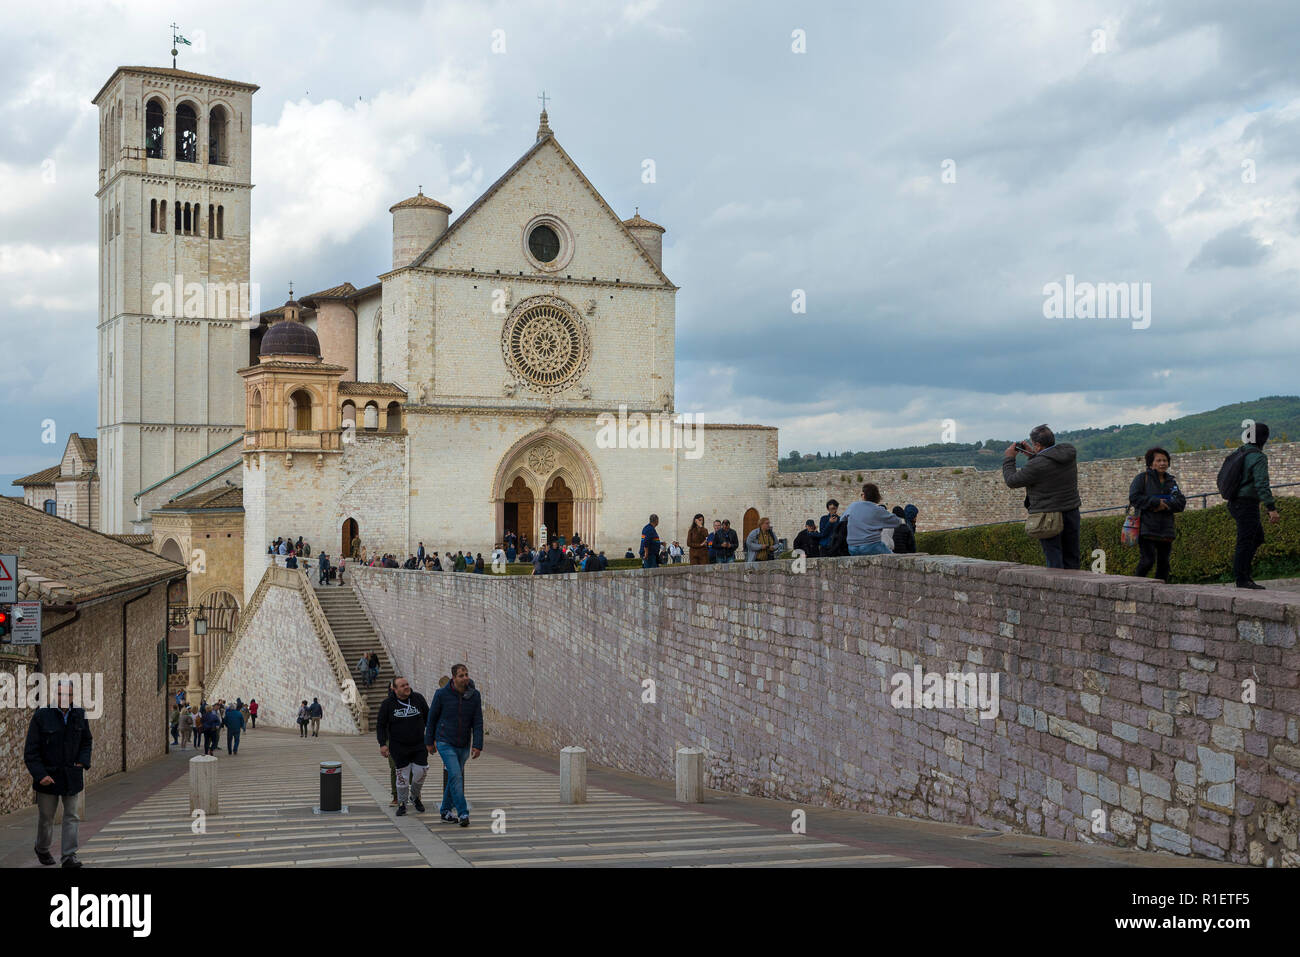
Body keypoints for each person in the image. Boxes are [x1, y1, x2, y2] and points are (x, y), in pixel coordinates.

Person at [24, 679, 92, 867]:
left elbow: (87, 742)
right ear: (55, 695)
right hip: (48, 777)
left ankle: (69, 856)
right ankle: (42, 848)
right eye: (60, 694)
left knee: (72, 816)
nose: (64, 698)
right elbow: (31, 751)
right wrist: (40, 775)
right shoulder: (41, 716)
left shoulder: (80, 714)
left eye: (68, 695)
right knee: (46, 818)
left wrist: (82, 762)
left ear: (72, 696)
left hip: (72, 775)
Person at [1002, 424, 1082, 570]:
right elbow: (1048, 464)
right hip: (1071, 511)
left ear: (1037, 445)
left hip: (1048, 516)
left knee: (1054, 558)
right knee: (1072, 556)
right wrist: (1034, 454)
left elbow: (1012, 481)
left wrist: (1009, 459)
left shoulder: (1037, 464)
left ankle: (1058, 590)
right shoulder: (1069, 452)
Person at [425, 663, 483, 828]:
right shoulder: (442, 694)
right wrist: (429, 742)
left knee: (454, 777)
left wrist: (477, 744)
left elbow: (477, 721)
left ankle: (445, 811)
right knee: (457, 776)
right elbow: (432, 719)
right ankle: (463, 812)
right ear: (453, 678)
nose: (465, 678)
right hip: (444, 741)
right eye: (461, 675)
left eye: (466, 674)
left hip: (464, 743)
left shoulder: (474, 695)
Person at [1227, 422, 1282, 589]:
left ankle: (1244, 575)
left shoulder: (1241, 452)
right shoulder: (1258, 456)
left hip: (1236, 502)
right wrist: (1271, 508)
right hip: (1245, 503)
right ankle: (1242, 579)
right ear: (1264, 438)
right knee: (1245, 540)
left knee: (1256, 537)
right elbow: (1261, 484)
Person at [1127, 446, 1186, 583]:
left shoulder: (1171, 482)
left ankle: (1161, 592)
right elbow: (1134, 498)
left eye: (1165, 460)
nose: (1162, 463)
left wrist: (1165, 505)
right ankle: (1136, 585)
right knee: (1147, 561)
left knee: (1164, 564)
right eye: (1158, 460)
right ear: (1151, 463)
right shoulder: (1142, 478)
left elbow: (1181, 502)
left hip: (1166, 528)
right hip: (1146, 527)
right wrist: (1155, 502)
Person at [378, 676, 430, 816]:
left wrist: (432, 739)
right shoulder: (388, 704)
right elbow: (381, 725)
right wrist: (383, 744)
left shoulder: (418, 698)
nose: (406, 687)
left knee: (421, 772)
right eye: (402, 686)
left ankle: (414, 796)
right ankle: (402, 803)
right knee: (402, 776)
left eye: (407, 684)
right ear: (394, 689)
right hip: (398, 746)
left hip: (419, 744)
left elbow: (429, 719)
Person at [842, 483, 903, 555]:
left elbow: (842, 519)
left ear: (863, 495)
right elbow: (897, 522)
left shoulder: (853, 506)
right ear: (877, 496)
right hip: (871, 545)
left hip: (852, 547)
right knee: (893, 558)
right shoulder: (878, 510)